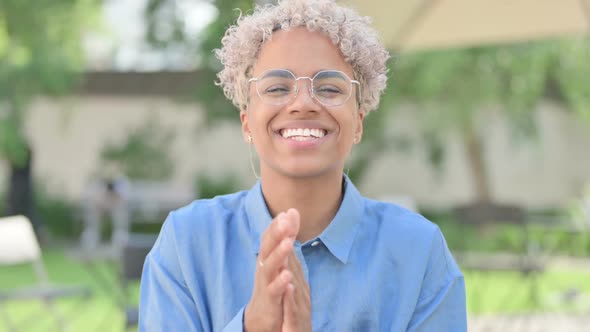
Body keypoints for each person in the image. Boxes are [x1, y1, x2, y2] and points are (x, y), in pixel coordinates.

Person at [139, 0, 466, 331]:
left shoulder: (419, 252)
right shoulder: (186, 243)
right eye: (278, 87)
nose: (303, 103)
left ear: (359, 122)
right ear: (247, 123)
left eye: (329, 87)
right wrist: (251, 326)